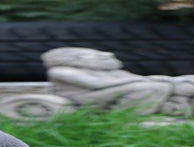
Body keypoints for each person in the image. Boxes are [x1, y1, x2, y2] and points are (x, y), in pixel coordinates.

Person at [41, 47, 173, 114]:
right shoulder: (62, 70)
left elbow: (129, 78)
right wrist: (140, 81)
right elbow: (96, 84)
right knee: (144, 88)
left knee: (158, 85)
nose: (105, 55)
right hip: (81, 97)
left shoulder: (105, 69)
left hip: (102, 93)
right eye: (93, 55)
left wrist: (150, 79)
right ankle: (129, 116)